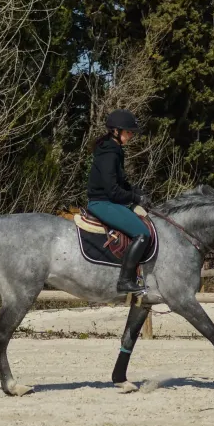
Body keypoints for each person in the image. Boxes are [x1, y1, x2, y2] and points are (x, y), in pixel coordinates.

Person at [86, 109, 152, 294]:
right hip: (102, 203)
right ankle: (124, 281)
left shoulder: (114, 149)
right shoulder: (110, 153)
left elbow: (120, 183)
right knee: (142, 233)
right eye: (128, 131)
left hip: (108, 201)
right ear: (116, 131)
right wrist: (135, 198)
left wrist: (135, 191)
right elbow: (113, 191)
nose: (131, 135)